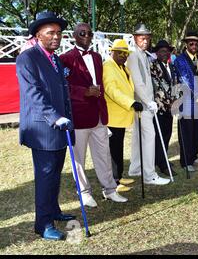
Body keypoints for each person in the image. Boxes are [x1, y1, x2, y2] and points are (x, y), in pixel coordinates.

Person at [16, 11, 75, 240]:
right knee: (45, 176)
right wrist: (55, 117)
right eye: (50, 32)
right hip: (43, 129)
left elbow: (63, 93)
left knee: (55, 175)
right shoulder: (27, 58)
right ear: (38, 35)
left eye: (59, 33)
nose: (56, 37)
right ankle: (43, 224)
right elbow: (33, 93)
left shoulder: (56, 59)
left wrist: (68, 119)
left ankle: (54, 211)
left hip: (61, 128)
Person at [60, 23, 128, 207]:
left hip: (99, 115)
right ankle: (84, 192)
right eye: (82, 33)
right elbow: (63, 87)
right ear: (74, 35)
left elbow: (102, 85)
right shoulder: (65, 58)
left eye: (90, 33)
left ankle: (110, 190)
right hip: (79, 117)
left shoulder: (98, 57)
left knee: (103, 155)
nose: (87, 36)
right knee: (79, 158)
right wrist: (84, 92)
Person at [126, 23, 170, 185]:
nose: (145, 41)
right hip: (142, 103)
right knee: (149, 136)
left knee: (138, 137)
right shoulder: (133, 55)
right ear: (135, 38)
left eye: (147, 38)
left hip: (146, 102)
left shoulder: (144, 55)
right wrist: (148, 101)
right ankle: (150, 175)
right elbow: (138, 82)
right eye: (142, 38)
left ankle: (135, 168)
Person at [103, 39, 143, 189]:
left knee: (118, 148)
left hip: (121, 117)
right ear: (112, 52)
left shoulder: (124, 68)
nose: (123, 56)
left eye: (125, 53)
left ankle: (118, 176)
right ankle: (113, 181)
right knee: (113, 151)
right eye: (119, 53)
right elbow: (111, 90)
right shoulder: (108, 66)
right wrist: (131, 103)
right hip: (113, 117)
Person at [173, 31, 198, 172]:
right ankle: (186, 161)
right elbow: (186, 80)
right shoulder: (180, 60)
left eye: (196, 43)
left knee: (197, 130)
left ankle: (193, 156)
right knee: (186, 131)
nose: (194, 45)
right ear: (186, 44)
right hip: (186, 100)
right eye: (191, 43)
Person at [150, 40, 181, 176]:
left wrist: (177, 100)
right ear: (156, 53)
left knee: (167, 135)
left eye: (167, 51)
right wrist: (169, 102)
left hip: (170, 108)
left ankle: (162, 158)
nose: (165, 53)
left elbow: (176, 85)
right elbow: (157, 86)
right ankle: (162, 164)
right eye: (162, 51)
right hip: (160, 107)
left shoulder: (172, 66)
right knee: (159, 136)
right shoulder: (153, 66)